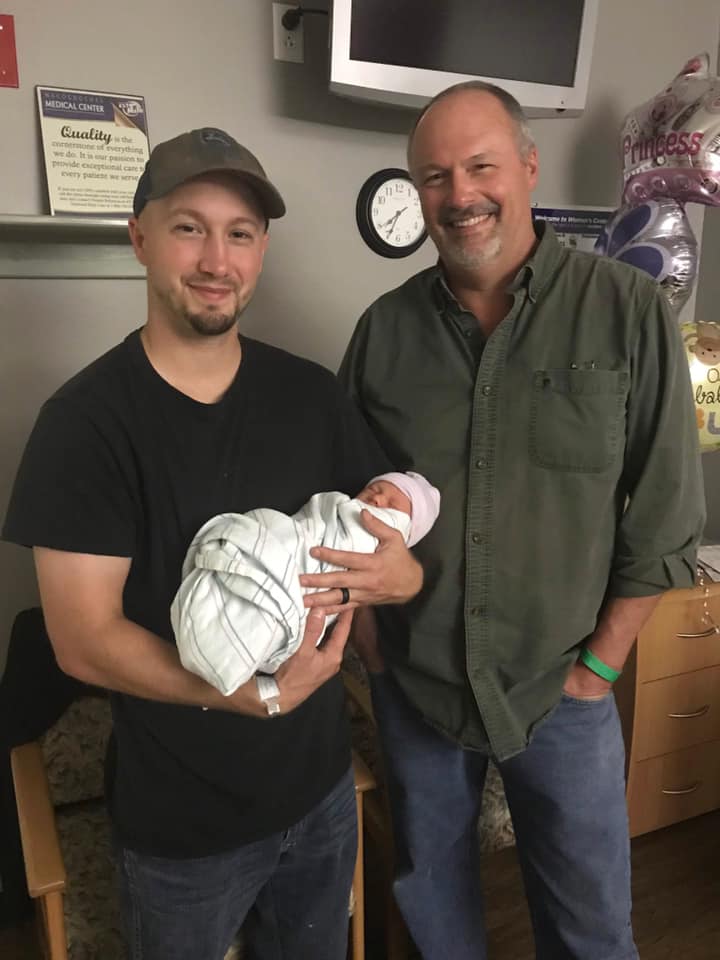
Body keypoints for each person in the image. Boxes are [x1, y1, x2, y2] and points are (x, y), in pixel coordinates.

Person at [302, 82, 706, 960]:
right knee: (436, 917)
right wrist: (374, 650)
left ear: (527, 167)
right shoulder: (383, 332)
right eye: (435, 176)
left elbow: (667, 515)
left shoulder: (627, 310)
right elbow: (338, 507)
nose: (460, 194)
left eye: (480, 166)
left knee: (591, 929)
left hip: (564, 687)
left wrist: (600, 668)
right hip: (418, 688)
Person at [1, 127, 423, 960]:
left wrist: (401, 575)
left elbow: (391, 544)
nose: (216, 260)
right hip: (181, 835)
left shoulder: (311, 396)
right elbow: (82, 640)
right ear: (140, 238)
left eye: (240, 234)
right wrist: (254, 695)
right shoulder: (85, 426)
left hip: (321, 796)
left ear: (261, 251)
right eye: (189, 228)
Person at [172, 471, 440, 696]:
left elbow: (371, 554)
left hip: (302, 610)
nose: (378, 499)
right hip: (285, 548)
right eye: (375, 489)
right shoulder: (338, 504)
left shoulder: (379, 533)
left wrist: (410, 579)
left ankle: (231, 641)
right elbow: (312, 519)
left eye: (392, 505)